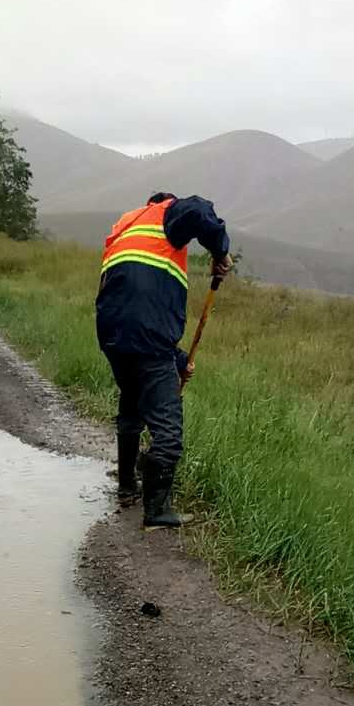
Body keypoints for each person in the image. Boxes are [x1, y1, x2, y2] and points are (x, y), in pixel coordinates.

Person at [96, 192, 232, 527]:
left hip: (113, 334)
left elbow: (136, 309)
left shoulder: (126, 228)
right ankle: (157, 511)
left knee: (131, 403)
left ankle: (127, 486)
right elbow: (200, 209)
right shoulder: (168, 214)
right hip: (146, 338)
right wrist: (220, 252)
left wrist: (179, 359)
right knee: (168, 428)